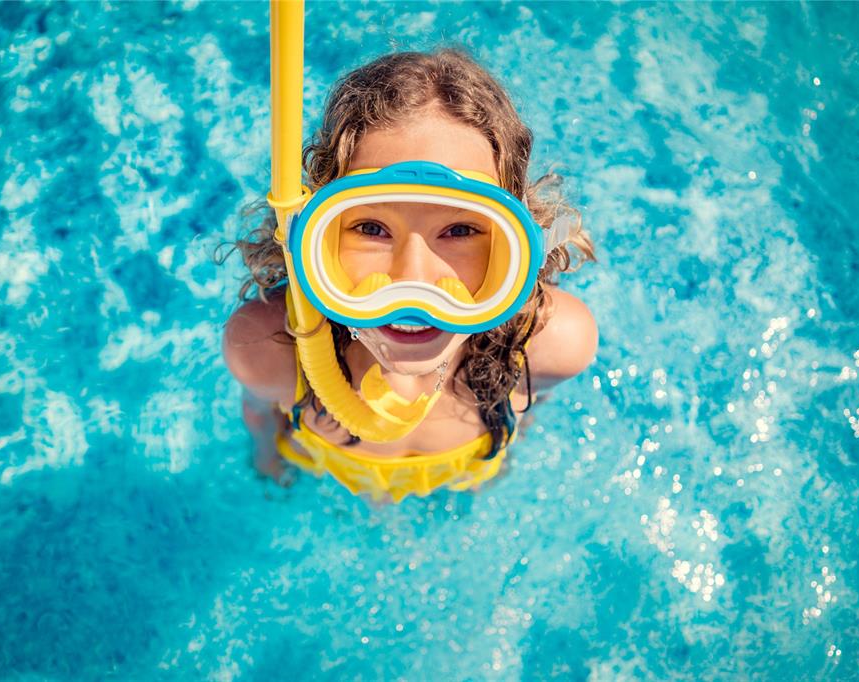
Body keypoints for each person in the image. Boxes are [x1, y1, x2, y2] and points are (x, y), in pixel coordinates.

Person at [222, 50, 598, 502]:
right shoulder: (267, 349)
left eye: (460, 229)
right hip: (325, 478)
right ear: (313, 238)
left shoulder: (549, 347)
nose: (413, 281)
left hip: (465, 480)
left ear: (518, 244)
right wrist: (267, 463)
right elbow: (262, 415)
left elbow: (532, 408)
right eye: (370, 228)